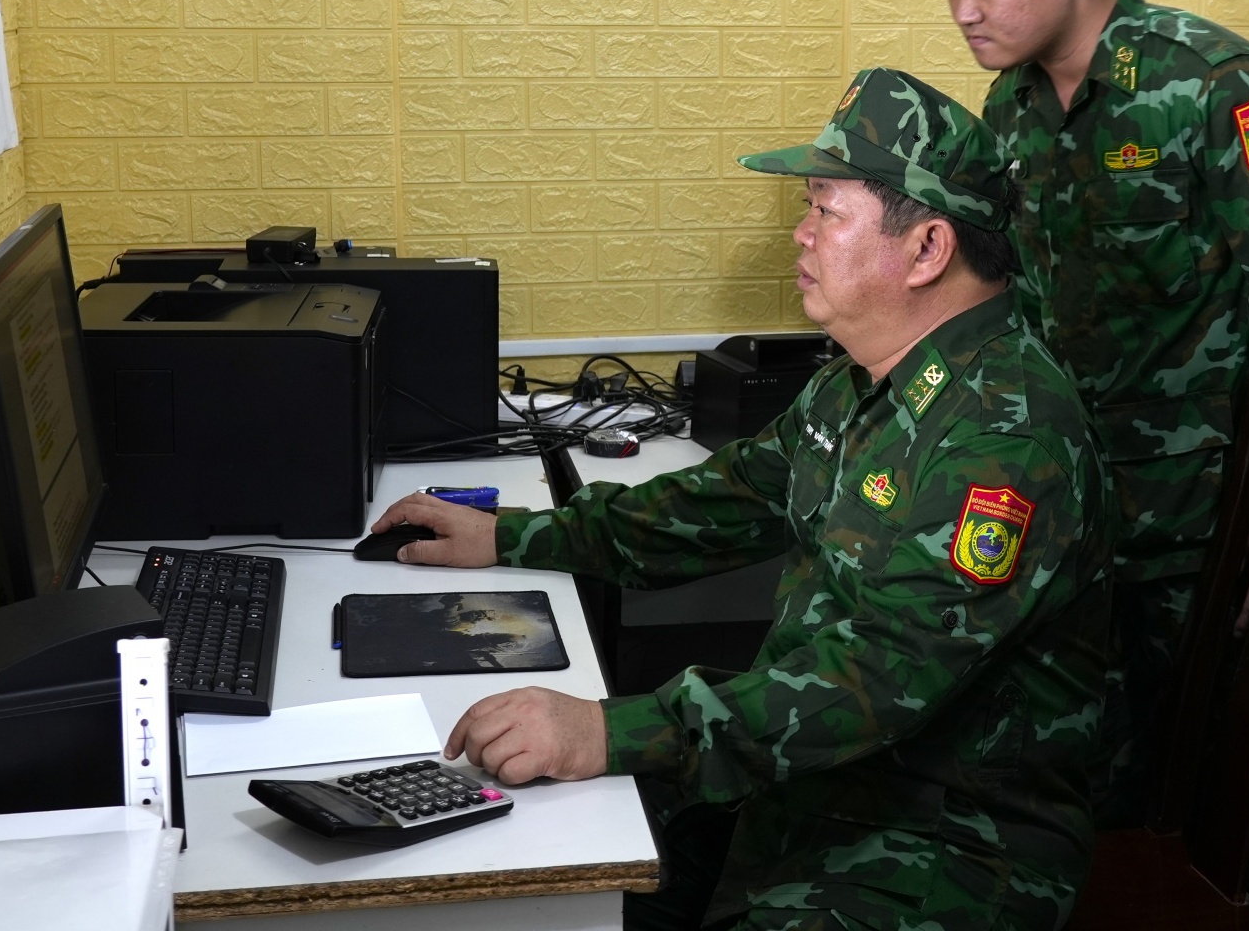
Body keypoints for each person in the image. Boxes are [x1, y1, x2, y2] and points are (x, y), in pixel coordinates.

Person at [371, 67, 1112, 931]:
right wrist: (513, 536)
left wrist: (607, 732)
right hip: (812, 779)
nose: (799, 236)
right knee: (518, 868)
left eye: (825, 211)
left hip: (944, 837)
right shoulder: (864, 384)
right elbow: (719, 503)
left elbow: (875, 679)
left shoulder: (1003, 440)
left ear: (927, 249)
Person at [881, 0, 1249, 827]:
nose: (962, 11)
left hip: (1201, 523)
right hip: (1074, 516)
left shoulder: (1218, 86)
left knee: (1217, 788)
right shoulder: (1010, 107)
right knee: (1087, 789)